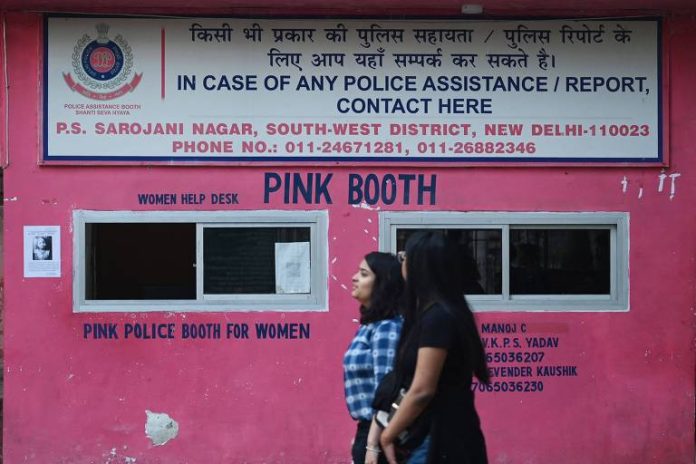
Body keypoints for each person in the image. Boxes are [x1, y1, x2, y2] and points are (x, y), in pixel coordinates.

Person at [379, 232, 490, 464]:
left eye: (404, 257)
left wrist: (387, 436)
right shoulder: (438, 312)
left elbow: (422, 390)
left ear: (419, 265)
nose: (401, 262)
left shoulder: (438, 318)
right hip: (436, 435)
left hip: (440, 439)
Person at [343, 252, 404, 464]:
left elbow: (386, 393)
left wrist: (372, 445)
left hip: (381, 431)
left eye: (363, 274)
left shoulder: (387, 328)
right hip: (367, 428)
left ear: (382, 285)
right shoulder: (370, 326)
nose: (354, 278)